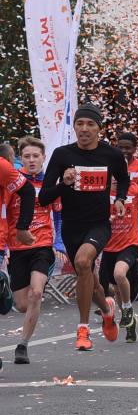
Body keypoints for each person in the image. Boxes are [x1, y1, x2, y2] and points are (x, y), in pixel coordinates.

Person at [40, 103, 128, 352]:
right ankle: (107, 310)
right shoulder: (62, 155)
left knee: (82, 262)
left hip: (99, 224)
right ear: (75, 127)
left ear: (99, 128)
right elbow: (44, 197)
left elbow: (123, 179)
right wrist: (64, 183)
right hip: (71, 227)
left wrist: (120, 199)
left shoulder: (111, 155)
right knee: (90, 279)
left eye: (90, 124)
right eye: (80, 123)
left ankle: (83, 329)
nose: (85, 128)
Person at [4, 137, 56, 364]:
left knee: (36, 293)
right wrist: (5, 247)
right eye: (27, 156)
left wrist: (60, 244)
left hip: (42, 245)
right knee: (22, 304)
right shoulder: (12, 182)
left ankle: (22, 345)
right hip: (17, 248)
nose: (32, 160)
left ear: (44, 158)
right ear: (20, 159)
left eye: (36, 156)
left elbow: (60, 214)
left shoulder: (50, 184)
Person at [98, 177, 138, 342]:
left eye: (120, 175)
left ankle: (127, 308)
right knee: (116, 289)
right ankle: (130, 323)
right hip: (108, 247)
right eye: (113, 176)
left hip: (129, 244)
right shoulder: (102, 193)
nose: (116, 179)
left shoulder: (133, 190)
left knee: (119, 274)